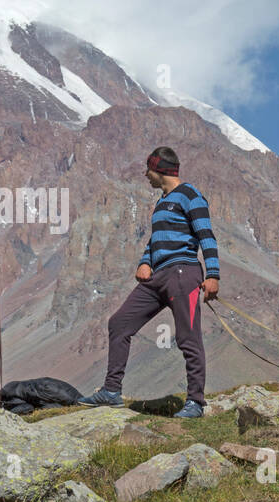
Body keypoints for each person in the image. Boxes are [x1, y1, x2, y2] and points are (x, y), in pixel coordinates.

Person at [78, 147, 220, 418]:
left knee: (187, 337)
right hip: (158, 278)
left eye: (149, 170)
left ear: (161, 170)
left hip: (183, 274)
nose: (146, 175)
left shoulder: (191, 195)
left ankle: (195, 402)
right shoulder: (162, 201)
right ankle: (111, 391)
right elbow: (156, 240)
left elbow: (207, 236)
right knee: (119, 323)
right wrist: (146, 261)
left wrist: (212, 275)